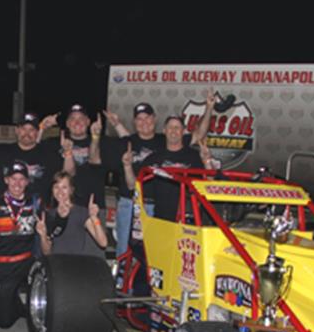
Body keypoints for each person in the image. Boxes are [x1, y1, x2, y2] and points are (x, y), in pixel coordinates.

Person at [109, 91, 215, 255]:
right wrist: (116, 126)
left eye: (148, 118)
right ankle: (123, 278)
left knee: (160, 254)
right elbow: (132, 184)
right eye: (140, 119)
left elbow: (199, 135)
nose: (144, 122)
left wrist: (209, 107)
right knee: (127, 250)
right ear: (134, 122)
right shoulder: (129, 143)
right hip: (132, 204)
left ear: (155, 120)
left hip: (166, 209)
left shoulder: (165, 142)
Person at [0, 160, 44, 329]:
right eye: (13, 178)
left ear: (27, 182)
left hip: (27, 262)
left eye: (21, 179)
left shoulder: (35, 203)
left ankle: (26, 300)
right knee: (4, 322)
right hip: (2, 266)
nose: (17, 183)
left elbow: (49, 229)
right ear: (6, 180)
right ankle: (16, 304)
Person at [0, 111, 74, 204]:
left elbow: (68, 174)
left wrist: (68, 152)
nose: (27, 133)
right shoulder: (2, 151)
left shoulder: (49, 154)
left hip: (38, 214)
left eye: (31, 129)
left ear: (37, 132)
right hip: (5, 212)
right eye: (23, 129)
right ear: (17, 130)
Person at [123, 116, 205, 222]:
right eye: (170, 127)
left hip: (187, 221)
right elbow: (133, 186)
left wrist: (206, 161)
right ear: (164, 130)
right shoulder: (153, 158)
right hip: (160, 220)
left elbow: (209, 182)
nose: (173, 131)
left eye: (177, 128)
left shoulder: (194, 156)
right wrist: (127, 166)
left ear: (183, 131)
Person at [38, 171, 106, 257]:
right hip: (56, 264)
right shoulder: (49, 215)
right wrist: (43, 235)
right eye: (56, 187)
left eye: (64, 187)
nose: (60, 191)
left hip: (75, 265)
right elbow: (46, 252)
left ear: (71, 190)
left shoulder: (81, 212)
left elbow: (103, 243)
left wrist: (94, 218)